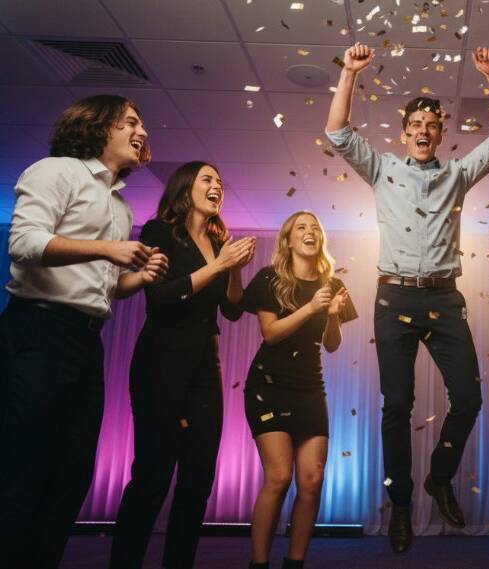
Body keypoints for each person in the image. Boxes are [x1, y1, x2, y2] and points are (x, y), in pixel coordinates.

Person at [325, 42, 489, 553]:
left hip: (445, 299)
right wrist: (349, 72)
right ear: (404, 131)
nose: (423, 130)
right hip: (394, 298)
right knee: (396, 404)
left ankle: (439, 477)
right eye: (416, 123)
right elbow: (338, 132)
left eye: (432, 124)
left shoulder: (457, 174)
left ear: (440, 134)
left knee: (470, 399)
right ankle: (402, 506)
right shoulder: (381, 168)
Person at [0, 94, 167, 568]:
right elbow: (24, 242)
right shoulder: (56, 171)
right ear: (97, 126)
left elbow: (107, 288)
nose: (141, 132)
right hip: (38, 331)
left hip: (85, 341)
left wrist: (139, 276)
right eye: (130, 122)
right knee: (25, 467)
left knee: (72, 474)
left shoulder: (121, 207)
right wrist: (108, 250)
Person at [110, 161, 256, 569]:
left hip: (204, 368)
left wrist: (234, 270)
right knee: (153, 475)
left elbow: (232, 310)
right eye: (208, 179)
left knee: (198, 480)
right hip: (162, 360)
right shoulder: (159, 231)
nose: (217, 186)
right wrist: (219, 266)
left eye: (220, 181)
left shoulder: (218, 241)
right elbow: (161, 298)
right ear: (185, 187)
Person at [243, 211, 357, 569]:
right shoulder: (270, 278)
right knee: (279, 477)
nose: (310, 232)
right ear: (288, 240)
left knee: (312, 480)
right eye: (301, 228)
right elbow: (271, 334)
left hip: (309, 388)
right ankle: (259, 564)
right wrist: (311, 308)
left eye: (315, 228)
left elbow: (332, 345)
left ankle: (294, 563)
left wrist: (333, 315)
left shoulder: (333, 284)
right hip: (268, 386)